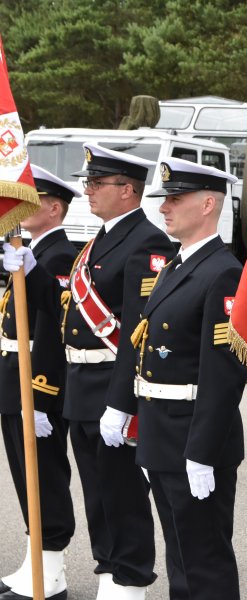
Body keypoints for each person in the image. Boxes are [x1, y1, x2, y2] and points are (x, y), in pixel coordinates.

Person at [4, 144, 174, 599]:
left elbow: (137, 331)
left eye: (97, 184)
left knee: (122, 493)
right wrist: (31, 270)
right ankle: (108, 573)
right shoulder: (98, 240)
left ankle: (130, 579)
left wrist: (123, 402)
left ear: (127, 191)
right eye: (89, 182)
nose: (88, 191)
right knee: (98, 494)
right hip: (81, 387)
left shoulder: (147, 241)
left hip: (110, 388)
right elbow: (65, 311)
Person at [104, 157, 246, 600]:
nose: (164, 208)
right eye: (165, 199)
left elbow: (224, 375)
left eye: (176, 199)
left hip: (193, 438)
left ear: (208, 204)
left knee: (204, 561)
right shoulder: (177, 265)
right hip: (163, 434)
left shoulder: (222, 271)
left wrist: (202, 452)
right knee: (180, 559)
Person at [0, 166, 78, 600]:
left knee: (44, 476)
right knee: (22, 474)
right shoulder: (28, 251)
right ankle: (35, 561)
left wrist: (43, 395)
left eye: (34, 200)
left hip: (36, 384)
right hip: (14, 379)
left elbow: (52, 331)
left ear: (53, 208)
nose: (21, 207)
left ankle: (51, 572)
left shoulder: (60, 255)